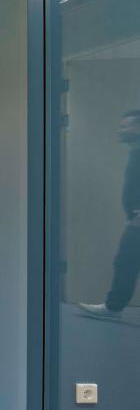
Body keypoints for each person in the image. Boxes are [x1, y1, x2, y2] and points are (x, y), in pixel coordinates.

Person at [79, 109, 140, 321]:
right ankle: (114, 307)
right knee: (125, 262)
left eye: (126, 126)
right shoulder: (135, 153)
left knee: (125, 262)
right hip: (134, 221)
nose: (121, 130)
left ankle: (113, 308)